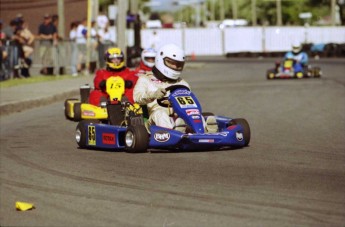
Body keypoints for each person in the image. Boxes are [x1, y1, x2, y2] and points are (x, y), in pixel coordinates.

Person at [133, 44, 190, 130]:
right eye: (171, 63)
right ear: (160, 60)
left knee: (193, 114)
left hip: (178, 116)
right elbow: (137, 98)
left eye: (178, 65)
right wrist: (153, 95)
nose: (175, 67)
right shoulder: (145, 79)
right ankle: (174, 133)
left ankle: (205, 133)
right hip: (153, 121)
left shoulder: (182, 83)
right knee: (160, 114)